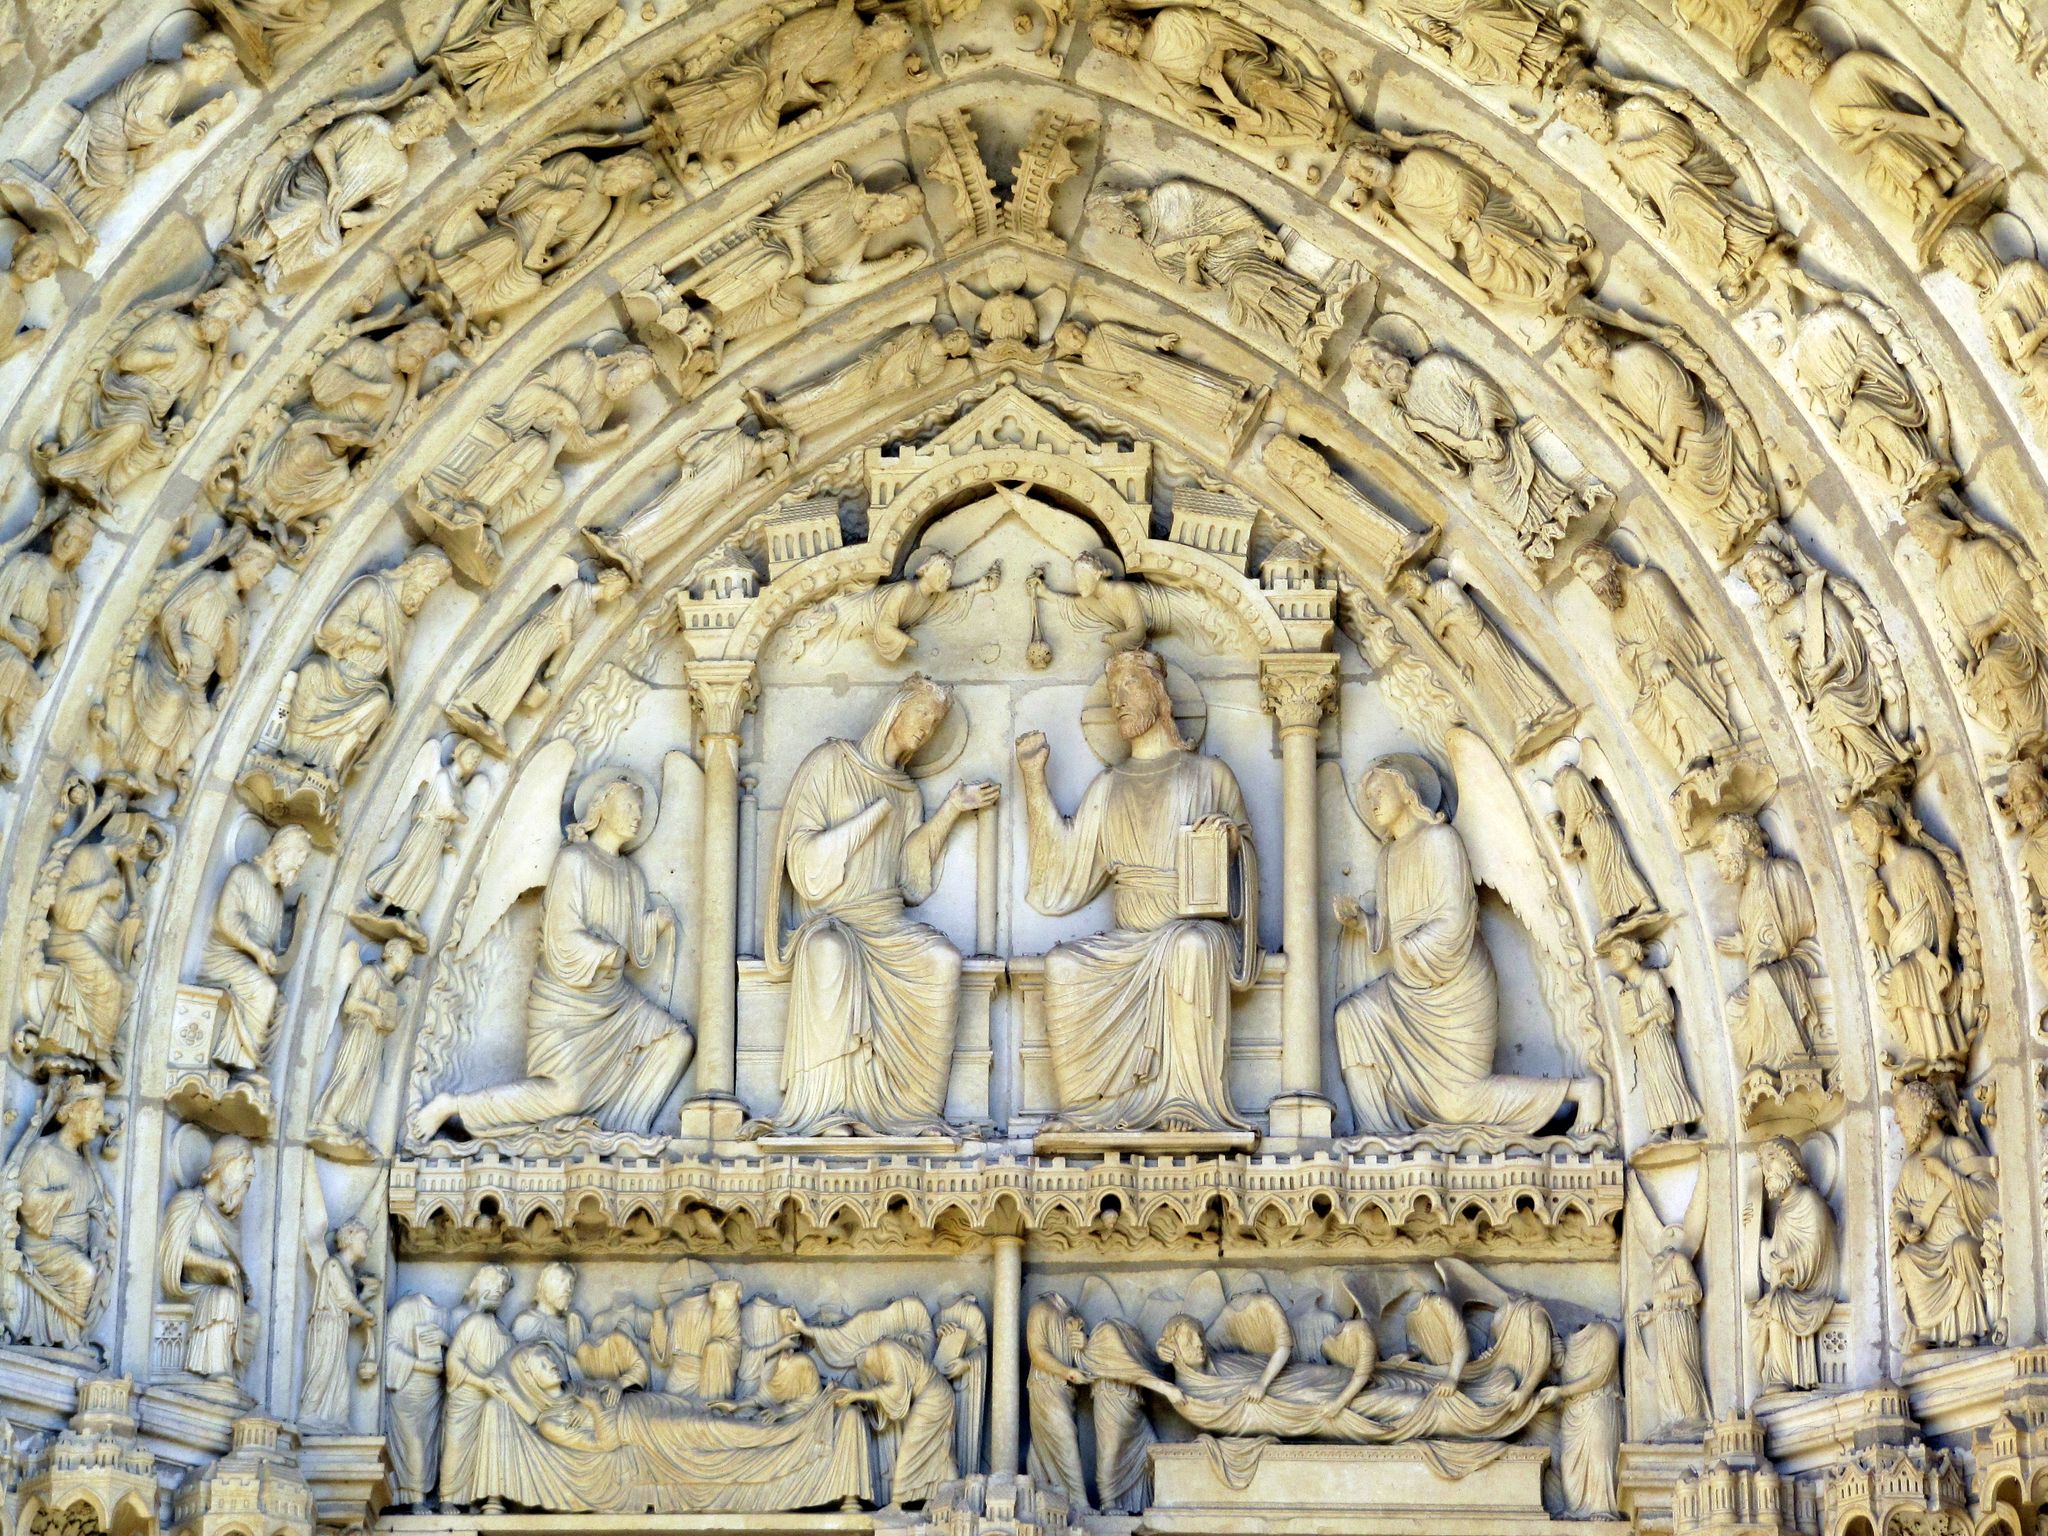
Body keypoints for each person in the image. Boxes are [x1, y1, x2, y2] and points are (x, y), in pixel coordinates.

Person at [1016, 648, 1259, 1135]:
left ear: (1159, 694)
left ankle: (1186, 1104)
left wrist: (1231, 841)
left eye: (1128, 688)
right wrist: (1033, 779)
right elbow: (1065, 870)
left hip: (1190, 928)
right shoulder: (1109, 785)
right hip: (1129, 937)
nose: (1118, 702)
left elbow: (1249, 864)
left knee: (1190, 947)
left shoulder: (1209, 775)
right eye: (1111, 694)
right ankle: (1087, 1113)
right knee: (1062, 965)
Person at [765, 676, 993, 1136]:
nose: (927, 728)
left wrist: (950, 809)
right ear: (897, 709)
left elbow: (909, 879)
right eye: (923, 714)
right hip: (836, 919)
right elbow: (803, 863)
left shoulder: (906, 793)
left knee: (942, 960)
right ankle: (829, 1110)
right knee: (826, 952)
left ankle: (916, 1111)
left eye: (936, 722)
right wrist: (868, 819)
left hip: (886, 921)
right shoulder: (830, 763)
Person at [409, 773, 693, 1139]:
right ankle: (455, 1106)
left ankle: (623, 1130)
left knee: (676, 1043)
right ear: (601, 809)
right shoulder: (575, 861)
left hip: (614, 1002)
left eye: (640, 809)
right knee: (565, 1094)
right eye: (628, 806)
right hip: (566, 998)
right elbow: (561, 937)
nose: (636, 816)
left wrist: (652, 925)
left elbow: (635, 950)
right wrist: (607, 953)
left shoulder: (632, 876)